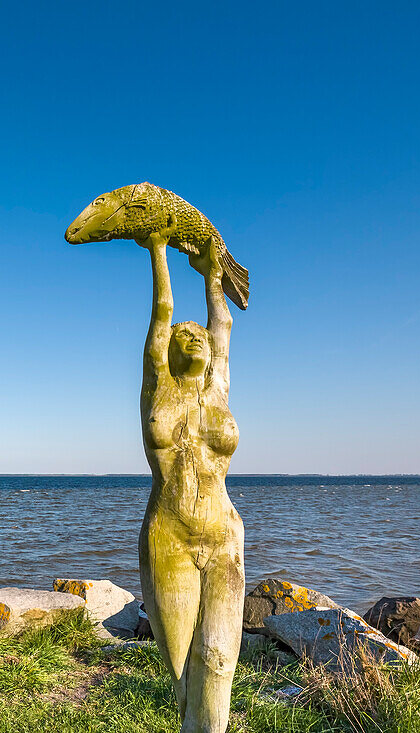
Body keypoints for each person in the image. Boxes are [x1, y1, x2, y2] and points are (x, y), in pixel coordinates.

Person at [138, 215, 244, 733]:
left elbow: (221, 326)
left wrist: (213, 277)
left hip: (223, 533)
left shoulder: (217, 389)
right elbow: (162, 314)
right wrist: (158, 248)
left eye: (197, 335)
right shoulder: (158, 388)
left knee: (220, 660)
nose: (193, 337)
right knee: (182, 668)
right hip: (170, 537)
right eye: (183, 337)